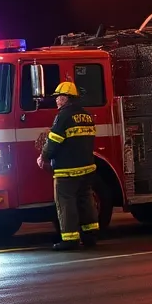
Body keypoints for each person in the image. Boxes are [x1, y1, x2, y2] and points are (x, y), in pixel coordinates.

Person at [37, 81, 98, 250]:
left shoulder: (63, 116)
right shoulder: (86, 115)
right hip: (87, 168)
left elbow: (53, 142)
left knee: (66, 203)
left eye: (59, 97)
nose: (57, 100)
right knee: (86, 201)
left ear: (67, 98)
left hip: (67, 170)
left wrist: (43, 157)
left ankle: (70, 239)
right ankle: (90, 236)